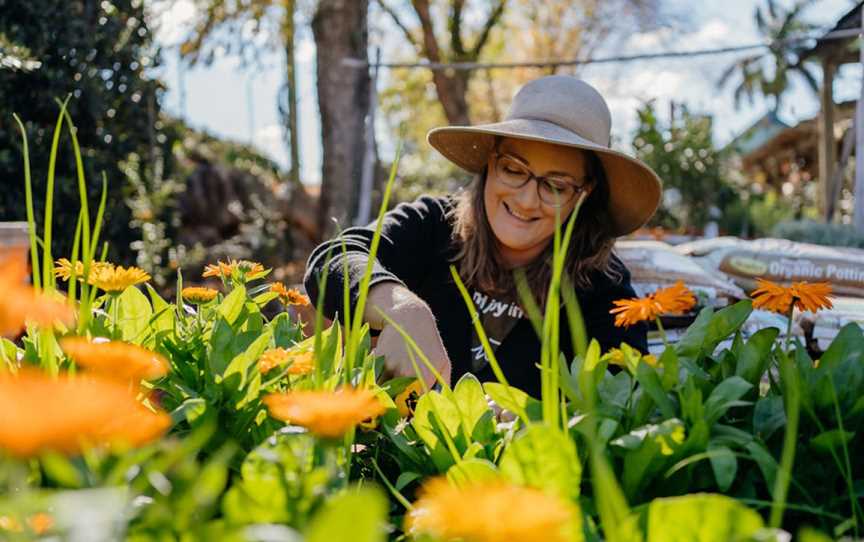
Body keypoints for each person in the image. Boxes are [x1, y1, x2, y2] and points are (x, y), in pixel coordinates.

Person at [303, 75, 662, 398]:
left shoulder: (602, 285)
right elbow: (333, 259)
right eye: (513, 169)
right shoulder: (434, 224)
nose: (525, 200)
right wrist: (403, 309)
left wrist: (536, 419)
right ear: (491, 162)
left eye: (555, 185)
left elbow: (624, 392)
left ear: (585, 192)